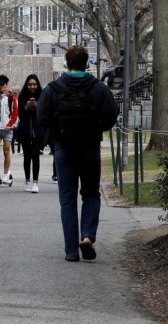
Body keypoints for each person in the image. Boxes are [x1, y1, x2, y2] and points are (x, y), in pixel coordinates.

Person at [37, 46, 119, 262]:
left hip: (63, 148)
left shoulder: (53, 89)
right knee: (91, 194)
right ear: (87, 64)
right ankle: (88, 236)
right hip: (90, 147)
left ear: (66, 63)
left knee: (67, 199)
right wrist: (96, 127)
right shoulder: (98, 88)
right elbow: (111, 115)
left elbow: (42, 118)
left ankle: (71, 250)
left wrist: (57, 128)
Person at [15, 74, 44, 193]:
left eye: (35, 84)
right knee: (27, 155)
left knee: (35, 154)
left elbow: (43, 114)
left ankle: (35, 182)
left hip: (37, 130)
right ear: (26, 85)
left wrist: (37, 106)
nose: (32, 86)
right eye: (30, 84)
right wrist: (26, 107)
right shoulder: (22, 97)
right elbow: (20, 115)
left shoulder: (42, 96)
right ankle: (27, 180)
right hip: (25, 130)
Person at [0, 74, 18, 187]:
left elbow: (15, 114)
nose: (1, 86)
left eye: (3, 84)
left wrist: (10, 125)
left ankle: (5, 174)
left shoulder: (11, 98)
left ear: (6, 85)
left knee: (6, 150)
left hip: (7, 128)